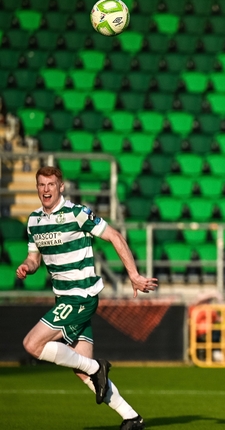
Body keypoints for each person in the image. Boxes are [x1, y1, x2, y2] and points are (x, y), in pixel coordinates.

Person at [19, 166, 155, 430]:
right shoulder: (34, 220)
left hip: (80, 297)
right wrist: (27, 266)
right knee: (82, 369)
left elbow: (114, 236)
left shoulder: (77, 213)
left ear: (61, 187)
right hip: (64, 301)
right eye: (41, 185)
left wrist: (134, 275)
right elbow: (34, 258)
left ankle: (97, 368)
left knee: (31, 344)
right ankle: (132, 417)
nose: (46, 189)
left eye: (51, 184)